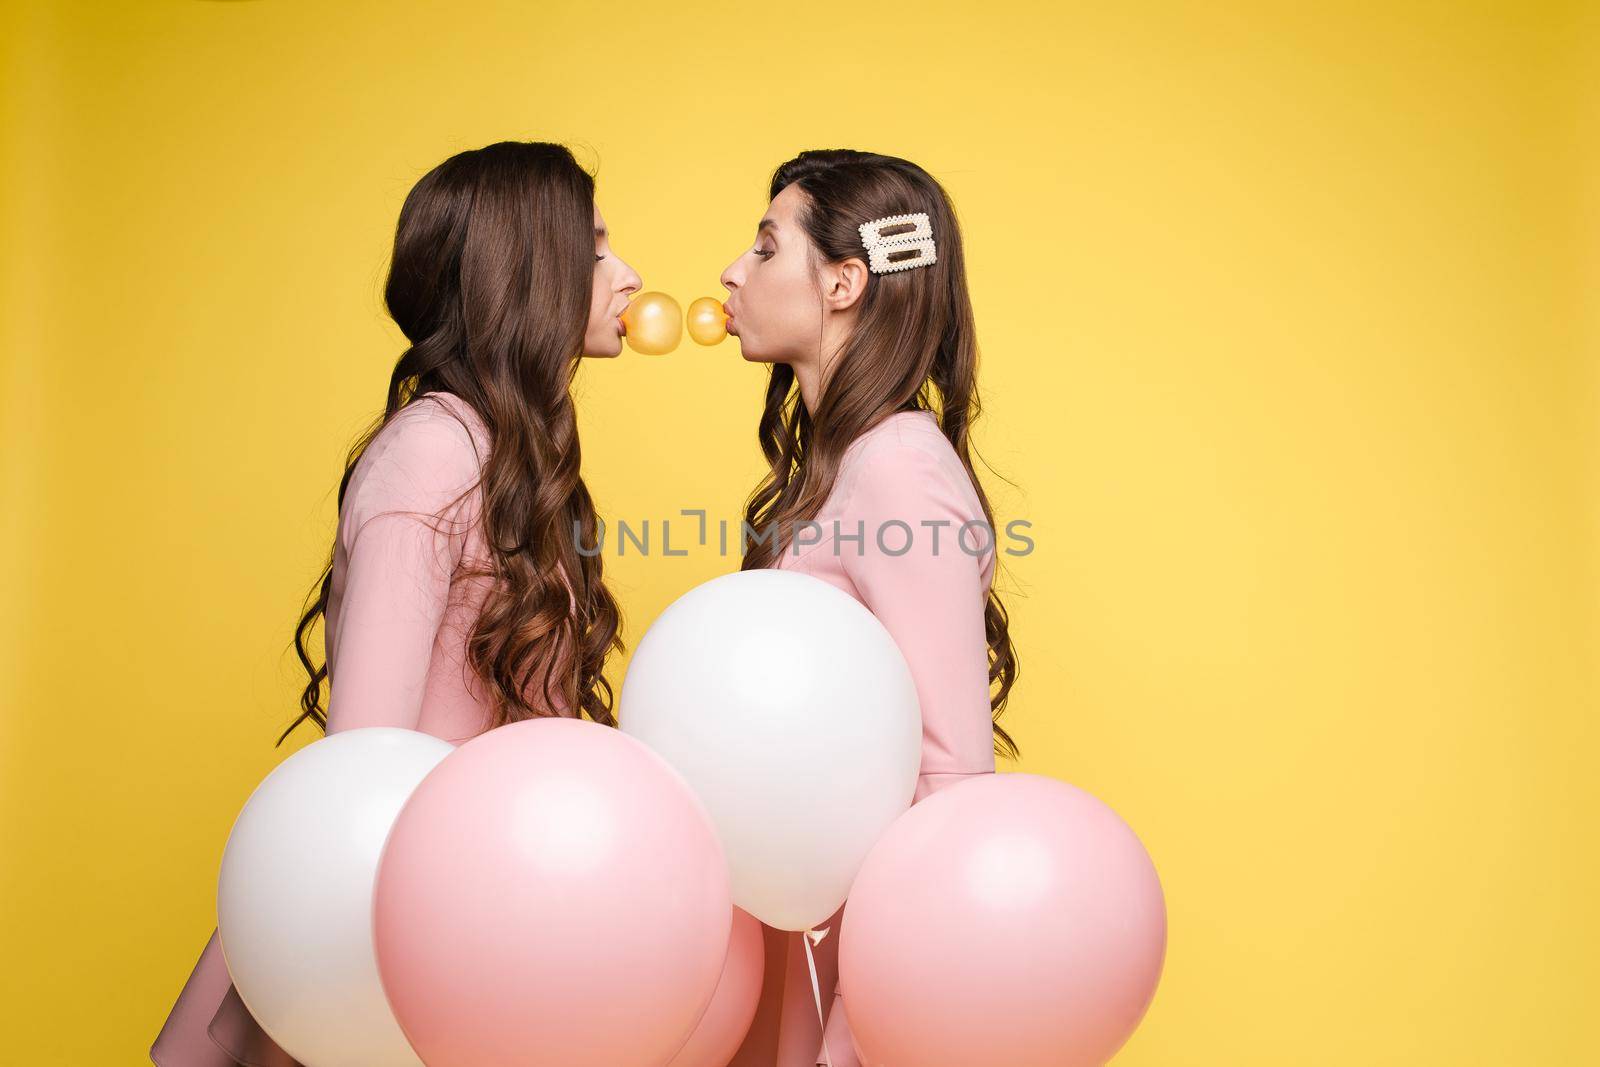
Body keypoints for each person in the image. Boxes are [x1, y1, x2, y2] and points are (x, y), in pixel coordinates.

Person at [150, 139, 642, 1067]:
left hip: (475, 915)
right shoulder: (433, 453)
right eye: (600, 247)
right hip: (375, 932)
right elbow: (363, 765)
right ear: (527, 271)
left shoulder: (510, 463)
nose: (630, 277)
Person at [718, 148, 1022, 1067]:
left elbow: (951, 771)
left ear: (845, 282)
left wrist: (860, 1030)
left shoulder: (896, 468)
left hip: (866, 972)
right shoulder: (846, 467)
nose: (733, 271)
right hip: (802, 935)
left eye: (766, 247)